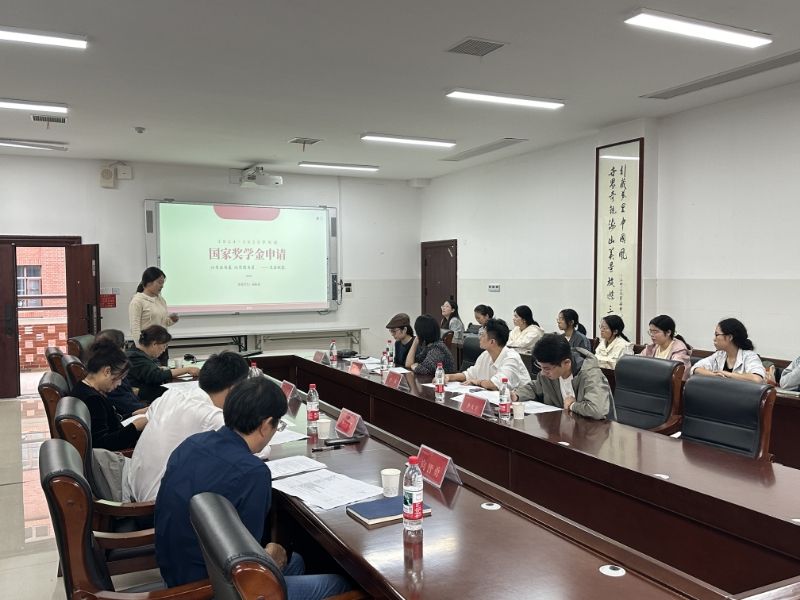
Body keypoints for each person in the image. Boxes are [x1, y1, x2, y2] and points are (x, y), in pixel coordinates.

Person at [155, 377, 352, 599]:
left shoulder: (192, 443)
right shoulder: (252, 472)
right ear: (265, 425)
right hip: (210, 588)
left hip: (174, 571)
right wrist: (271, 554)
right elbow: (247, 561)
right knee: (338, 584)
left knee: (295, 561)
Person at [128, 351, 250, 502]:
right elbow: (253, 447)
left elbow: (148, 415)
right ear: (234, 389)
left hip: (133, 487)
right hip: (158, 503)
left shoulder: (171, 395)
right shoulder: (212, 416)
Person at [513, 333, 614, 420]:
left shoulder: (591, 375)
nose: (542, 373)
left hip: (596, 431)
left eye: (547, 368)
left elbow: (597, 410)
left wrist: (572, 405)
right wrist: (516, 395)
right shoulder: (549, 375)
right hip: (564, 427)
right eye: (540, 367)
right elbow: (535, 387)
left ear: (566, 363)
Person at [70, 339, 147, 450]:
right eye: (119, 378)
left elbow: (109, 421)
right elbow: (102, 443)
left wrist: (133, 414)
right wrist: (135, 427)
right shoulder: (93, 400)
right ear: (107, 371)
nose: (119, 384)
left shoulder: (83, 388)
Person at [445, 318, 531, 389]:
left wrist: (478, 382)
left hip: (519, 402)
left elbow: (496, 384)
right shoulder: (485, 355)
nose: (479, 338)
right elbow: (469, 374)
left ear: (492, 341)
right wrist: (449, 377)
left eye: (483, 335)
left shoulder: (511, 358)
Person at [126, 325, 199, 403]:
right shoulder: (135, 357)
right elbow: (156, 376)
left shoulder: (140, 354)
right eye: (164, 346)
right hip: (143, 399)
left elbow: (154, 369)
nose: (164, 350)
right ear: (154, 344)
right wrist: (187, 369)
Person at [94, 328, 148, 418]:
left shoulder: (102, 366)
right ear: (118, 349)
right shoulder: (111, 374)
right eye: (124, 345)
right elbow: (127, 406)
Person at [129, 266, 178, 365]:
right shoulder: (137, 301)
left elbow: (163, 323)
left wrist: (171, 320)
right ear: (149, 282)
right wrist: (141, 350)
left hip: (161, 346)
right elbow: (134, 328)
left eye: (163, 283)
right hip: (147, 348)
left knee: (163, 372)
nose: (162, 286)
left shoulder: (161, 300)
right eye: (159, 282)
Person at [691, 318, 765, 382]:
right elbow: (695, 368)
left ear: (730, 337)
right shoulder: (719, 355)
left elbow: (757, 379)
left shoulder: (750, 356)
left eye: (717, 335)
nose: (714, 339)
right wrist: (714, 375)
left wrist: (728, 374)